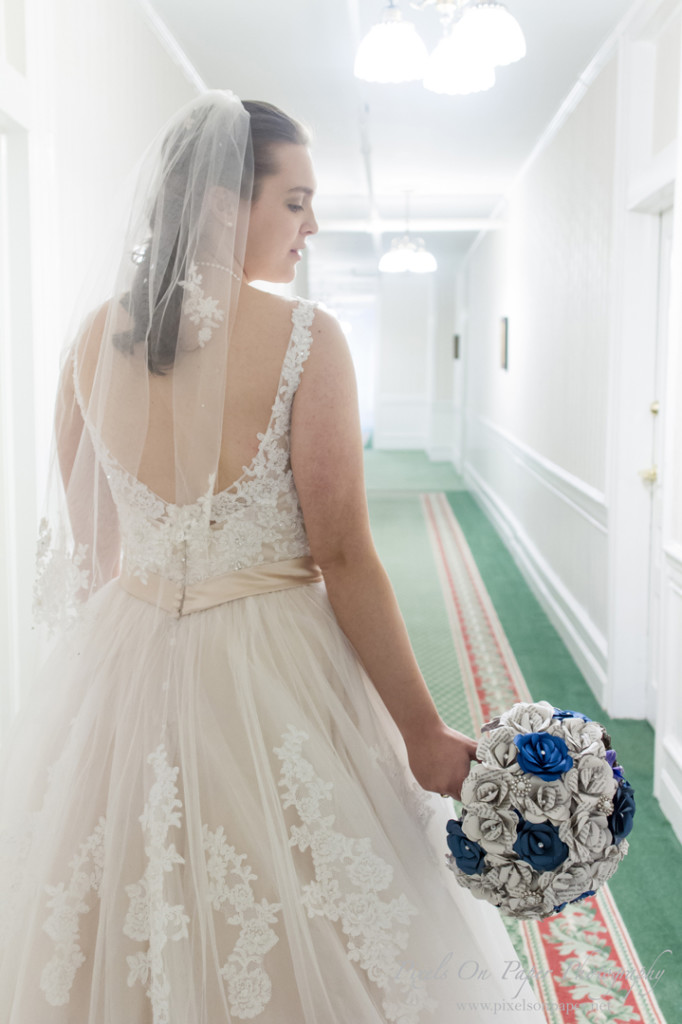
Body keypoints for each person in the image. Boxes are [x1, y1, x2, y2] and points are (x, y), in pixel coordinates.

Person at [0, 91, 548, 1023]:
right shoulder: (306, 338)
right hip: (274, 661)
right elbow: (343, 551)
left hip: (129, 660)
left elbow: (94, 551)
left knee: (123, 915)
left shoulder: (90, 341)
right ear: (224, 203)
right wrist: (420, 730)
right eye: (294, 200)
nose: (311, 224)